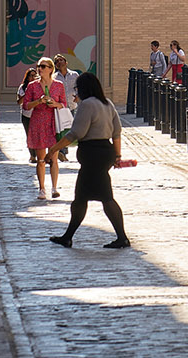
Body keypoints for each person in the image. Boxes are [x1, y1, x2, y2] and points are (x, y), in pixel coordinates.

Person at [49, 71, 132, 249]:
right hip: (105, 152)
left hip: (92, 155)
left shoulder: (86, 105)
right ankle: (68, 236)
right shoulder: (107, 103)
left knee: (102, 197)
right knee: (84, 196)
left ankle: (121, 237)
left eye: (77, 88)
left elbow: (75, 133)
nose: (76, 92)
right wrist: (117, 156)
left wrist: (54, 149)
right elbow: (117, 132)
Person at [25, 58, 64, 198]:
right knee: (41, 159)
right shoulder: (32, 86)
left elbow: (64, 104)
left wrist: (55, 104)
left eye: (43, 66)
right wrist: (39, 101)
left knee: (54, 157)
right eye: (38, 66)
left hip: (53, 123)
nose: (40, 69)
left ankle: (54, 187)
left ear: (50, 69)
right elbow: (26, 105)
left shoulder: (59, 85)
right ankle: (42, 189)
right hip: (38, 123)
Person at [54, 54, 80, 162]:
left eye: (61, 60)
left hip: (72, 105)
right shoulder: (54, 77)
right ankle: (62, 152)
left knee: (70, 128)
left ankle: (65, 150)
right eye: (57, 61)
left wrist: (78, 96)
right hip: (61, 107)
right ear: (56, 65)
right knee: (62, 129)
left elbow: (78, 87)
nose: (60, 62)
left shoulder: (74, 75)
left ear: (66, 62)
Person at [17, 67, 40, 163]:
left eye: (35, 75)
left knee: (38, 135)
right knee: (29, 135)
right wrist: (27, 93)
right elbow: (19, 101)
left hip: (37, 114)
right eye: (31, 75)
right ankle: (32, 155)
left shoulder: (39, 86)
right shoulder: (22, 87)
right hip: (26, 115)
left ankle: (39, 154)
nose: (33, 77)